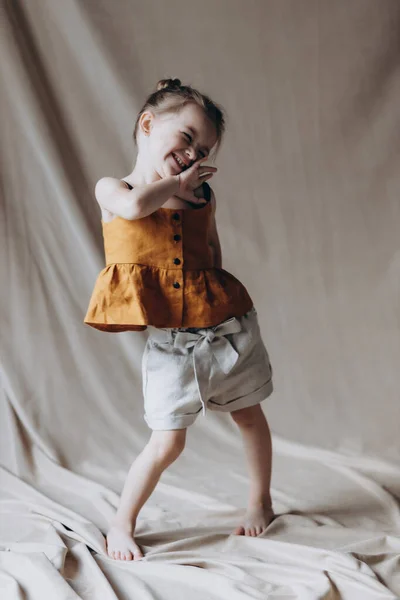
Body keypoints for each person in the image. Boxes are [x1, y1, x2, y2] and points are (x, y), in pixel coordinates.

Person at [84, 78, 275, 561]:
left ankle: (261, 500)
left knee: (249, 416)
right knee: (168, 442)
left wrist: (226, 294)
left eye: (204, 148)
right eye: (187, 138)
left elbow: (212, 251)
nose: (194, 153)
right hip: (174, 343)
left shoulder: (201, 197)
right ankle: (122, 523)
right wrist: (174, 184)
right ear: (147, 125)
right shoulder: (116, 189)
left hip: (226, 327)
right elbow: (134, 207)